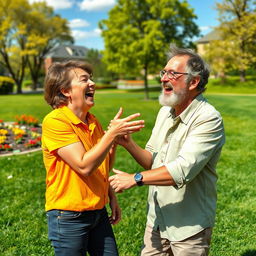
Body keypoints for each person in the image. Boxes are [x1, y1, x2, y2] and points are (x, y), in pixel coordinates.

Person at [109, 45, 225, 256]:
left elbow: (182, 170)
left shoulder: (208, 118)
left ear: (194, 82)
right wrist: (129, 144)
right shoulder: (165, 112)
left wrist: (135, 178)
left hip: (189, 227)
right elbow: (152, 162)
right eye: (164, 72)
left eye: (172, 73)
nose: (163, 78)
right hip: (157, 219)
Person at [41, 60, 144, 256]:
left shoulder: (92, 120)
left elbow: (101, 165)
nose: (92, 84)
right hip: (69, 215)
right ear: (65, 91)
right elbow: (84, 166)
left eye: (91, 79)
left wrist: (110, 195)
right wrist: (111, 134)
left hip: (98, 212)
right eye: (84, 80)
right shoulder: (56, 121)